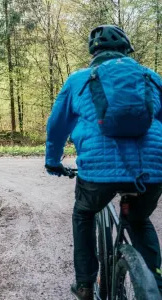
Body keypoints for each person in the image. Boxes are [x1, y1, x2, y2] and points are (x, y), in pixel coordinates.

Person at [45, 25, 162, 300]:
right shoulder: (152, 78)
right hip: (150, 171)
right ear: (126, 50)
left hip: (98, 174)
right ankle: (156, 283)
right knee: (139, 219)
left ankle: (85, 284)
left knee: (84, 213)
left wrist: (52, 161)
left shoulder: (79, 80)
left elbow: (57, 127)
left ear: (93, 54)